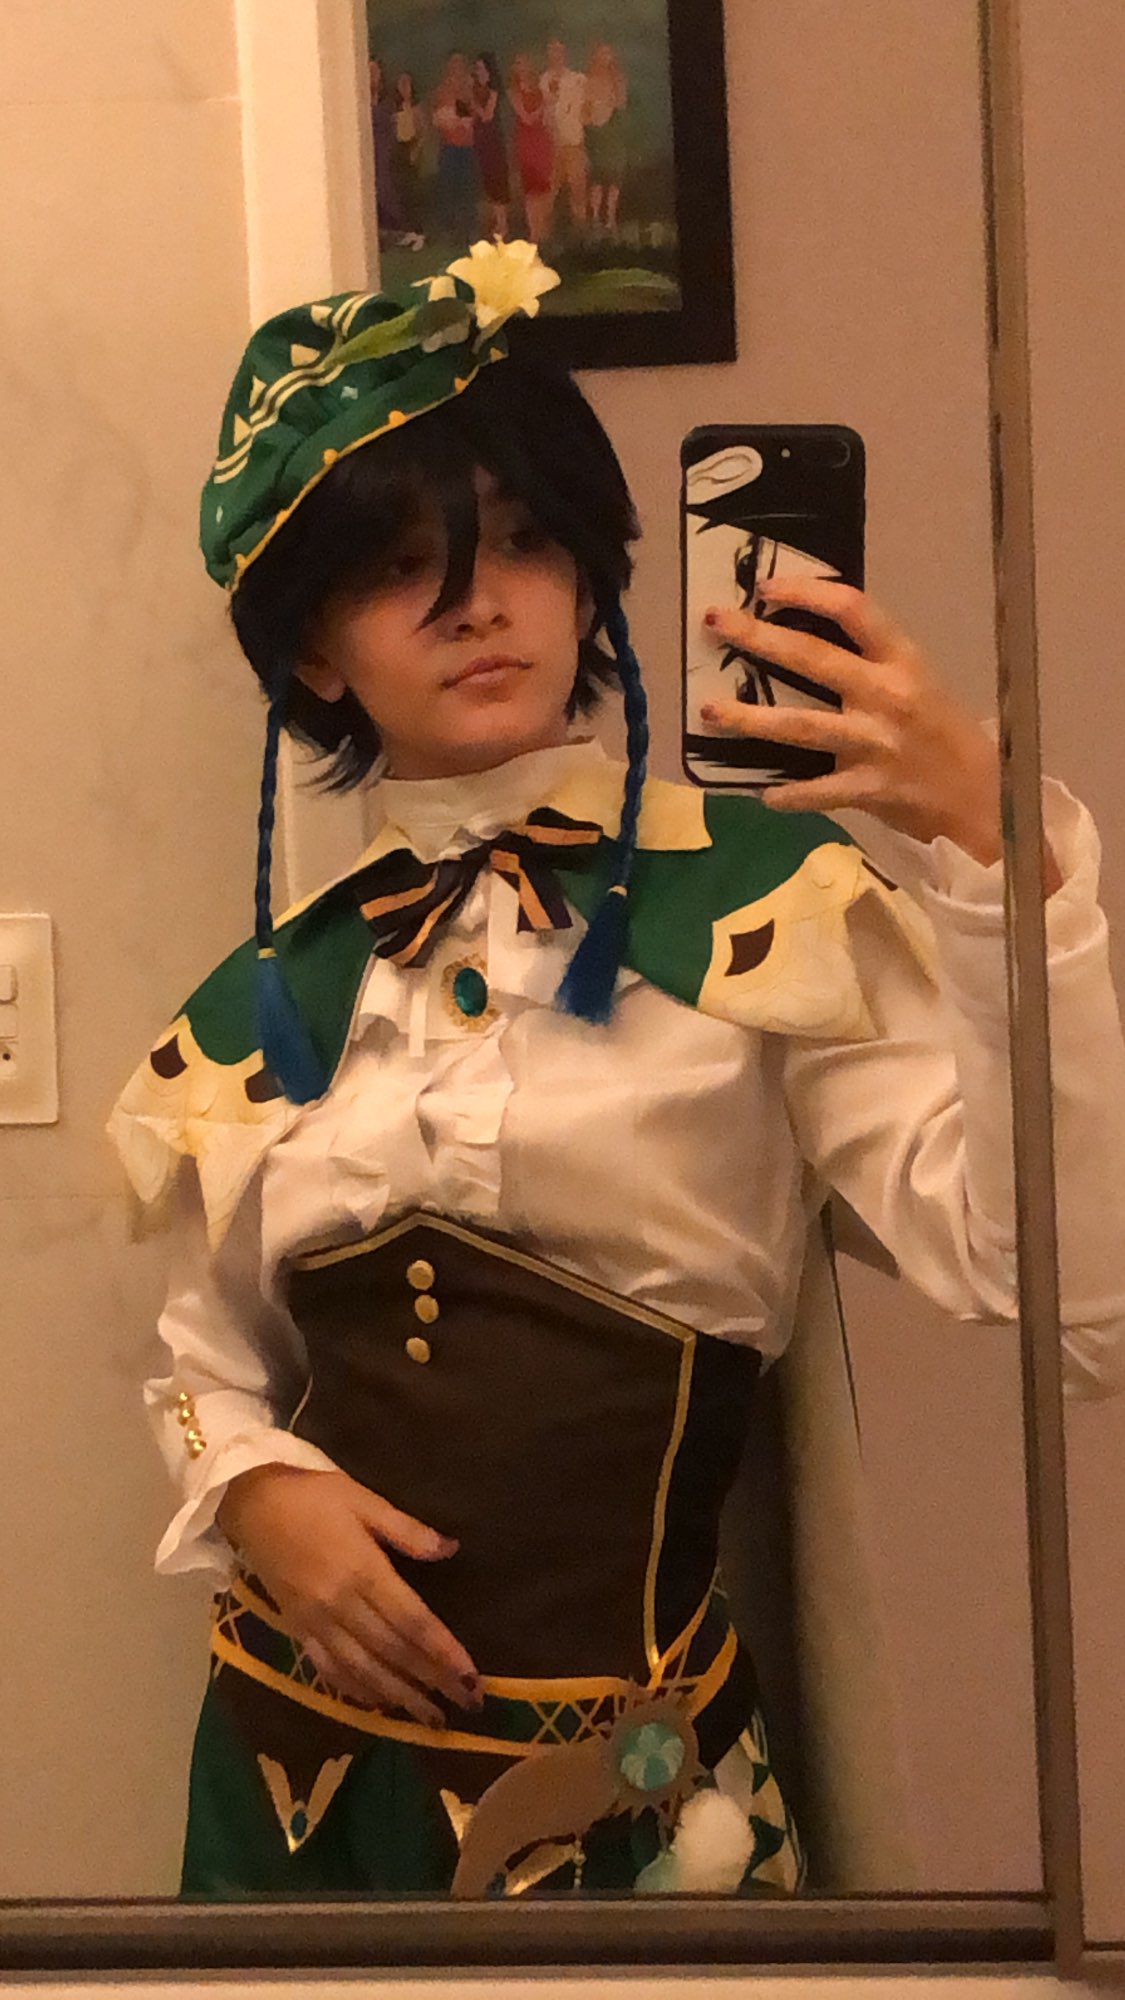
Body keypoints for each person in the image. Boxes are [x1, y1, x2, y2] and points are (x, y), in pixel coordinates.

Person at [111, 241, 1125, 1900]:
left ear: (588, 578)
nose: (476, 602)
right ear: (316, 653)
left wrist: (992, 844)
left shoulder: (769, 911)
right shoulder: (267, 1001)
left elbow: (1078, 1313)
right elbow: (196, 1362)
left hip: (647, 1811)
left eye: (522, 540)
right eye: (401, 567)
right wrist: (252, 1489)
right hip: (293, 1798)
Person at [430, 53, 479, 248]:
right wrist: (452, 119)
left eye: (460, 63)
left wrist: (461, 119)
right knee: (449, 189)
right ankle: (450, 231)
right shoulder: (442, 90)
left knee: (467, 190)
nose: (457, 67)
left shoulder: (469, 89)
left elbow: (471, 117)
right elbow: (439, 119)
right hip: (450, 147)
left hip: (467, 147)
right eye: (453, 63)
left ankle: (469, 230)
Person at [540, 38, 588, 233]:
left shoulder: (578, 79)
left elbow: (586, 106)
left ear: (564, 53)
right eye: (552, 51)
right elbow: (545, 109)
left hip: (574, 142)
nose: (556, 55)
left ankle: (581, 234)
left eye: (559, 51)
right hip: (552, 144)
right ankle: (545, 235)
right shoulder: (544, 80)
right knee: (549, 191)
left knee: (578, 190)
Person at [507, 54, 554, 244]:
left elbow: (546, 119)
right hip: (526, 142)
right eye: (518, 64)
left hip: (541, 141)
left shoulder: (539, 90)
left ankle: (543, 230)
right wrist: (544, 105)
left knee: (543, 188)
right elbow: (527, 118)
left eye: (525, 63)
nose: (522, 67)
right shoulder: (514, 92)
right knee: (531, 189)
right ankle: (534, 232)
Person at [584, 42, 628, 237]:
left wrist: (611, 97)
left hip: (613, 130)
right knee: (597, 177)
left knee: (614, 177)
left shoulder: (618, 78)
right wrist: (591, 120)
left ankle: (610, 218)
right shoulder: (589, 80)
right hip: (596, 133)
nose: (605, 58)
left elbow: (622, 104)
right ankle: (595, 219)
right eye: (601, 54)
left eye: (608, 54)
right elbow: (585, 108)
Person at [469, 53, 510, 243]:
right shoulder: (475, 90)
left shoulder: (493, 91)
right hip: (480, 142)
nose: (477, 72)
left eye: (480, 68)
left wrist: (473, 102)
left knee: (497, 181)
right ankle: (495, 224)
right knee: (487, 182)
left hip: (493, 142)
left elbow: (487, 115)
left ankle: (503, 225)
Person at [393, 72, 426, 244]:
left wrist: (416, 150)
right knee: (400, 191)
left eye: (407, 83)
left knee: (412, 191)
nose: (404, 87)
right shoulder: (394, 107)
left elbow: (422, 130)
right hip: (397, 149)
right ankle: (407, 230)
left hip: (411, 147)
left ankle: (418, 231)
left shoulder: (415, 106)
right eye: (401, 83)